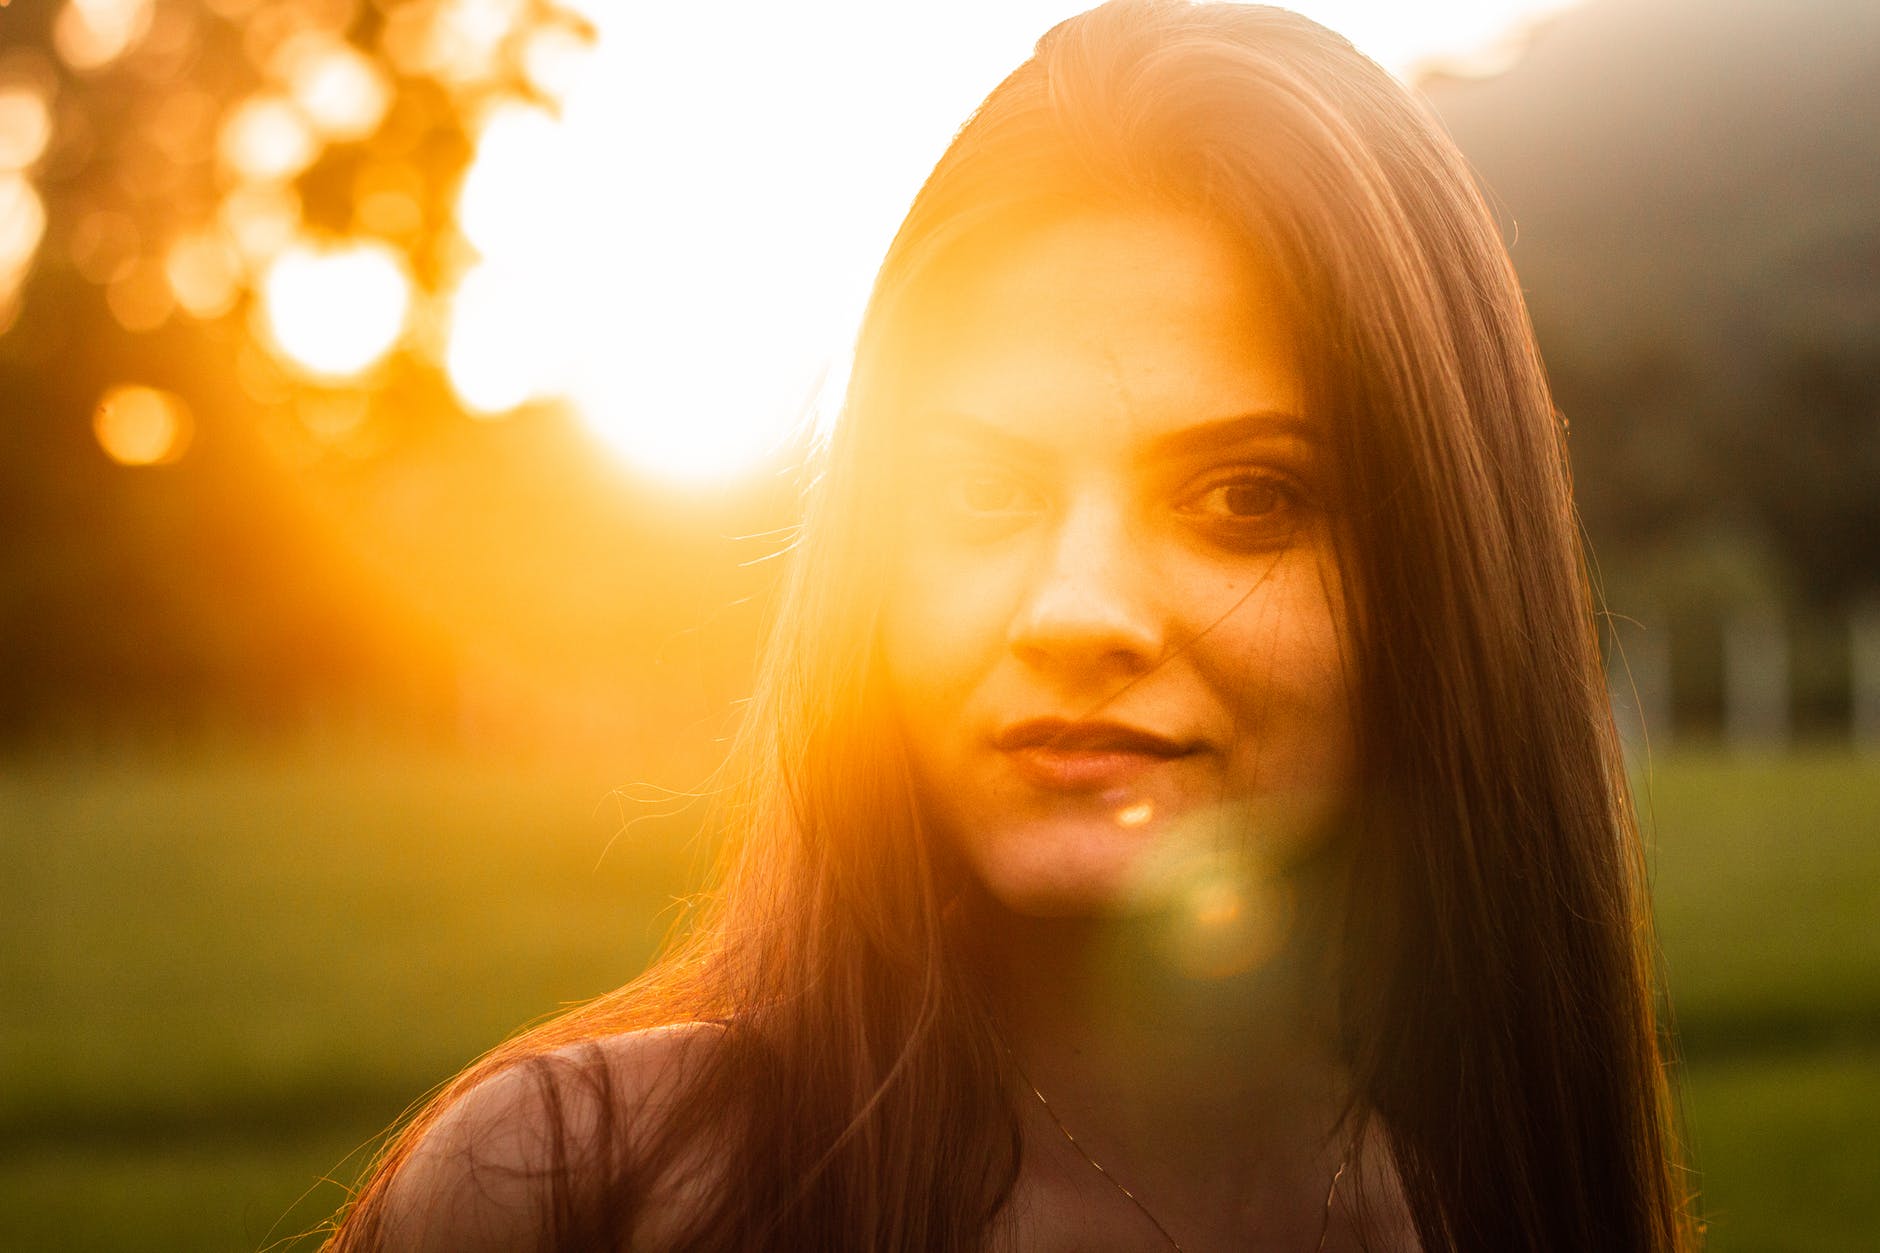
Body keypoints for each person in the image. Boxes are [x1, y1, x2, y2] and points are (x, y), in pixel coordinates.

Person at [325, 2, 1697, 1249]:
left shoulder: (1498, 1210)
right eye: (983, 490)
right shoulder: (570, 1199)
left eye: (1245, 495)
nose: (1075, 608)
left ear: (1440, 572)